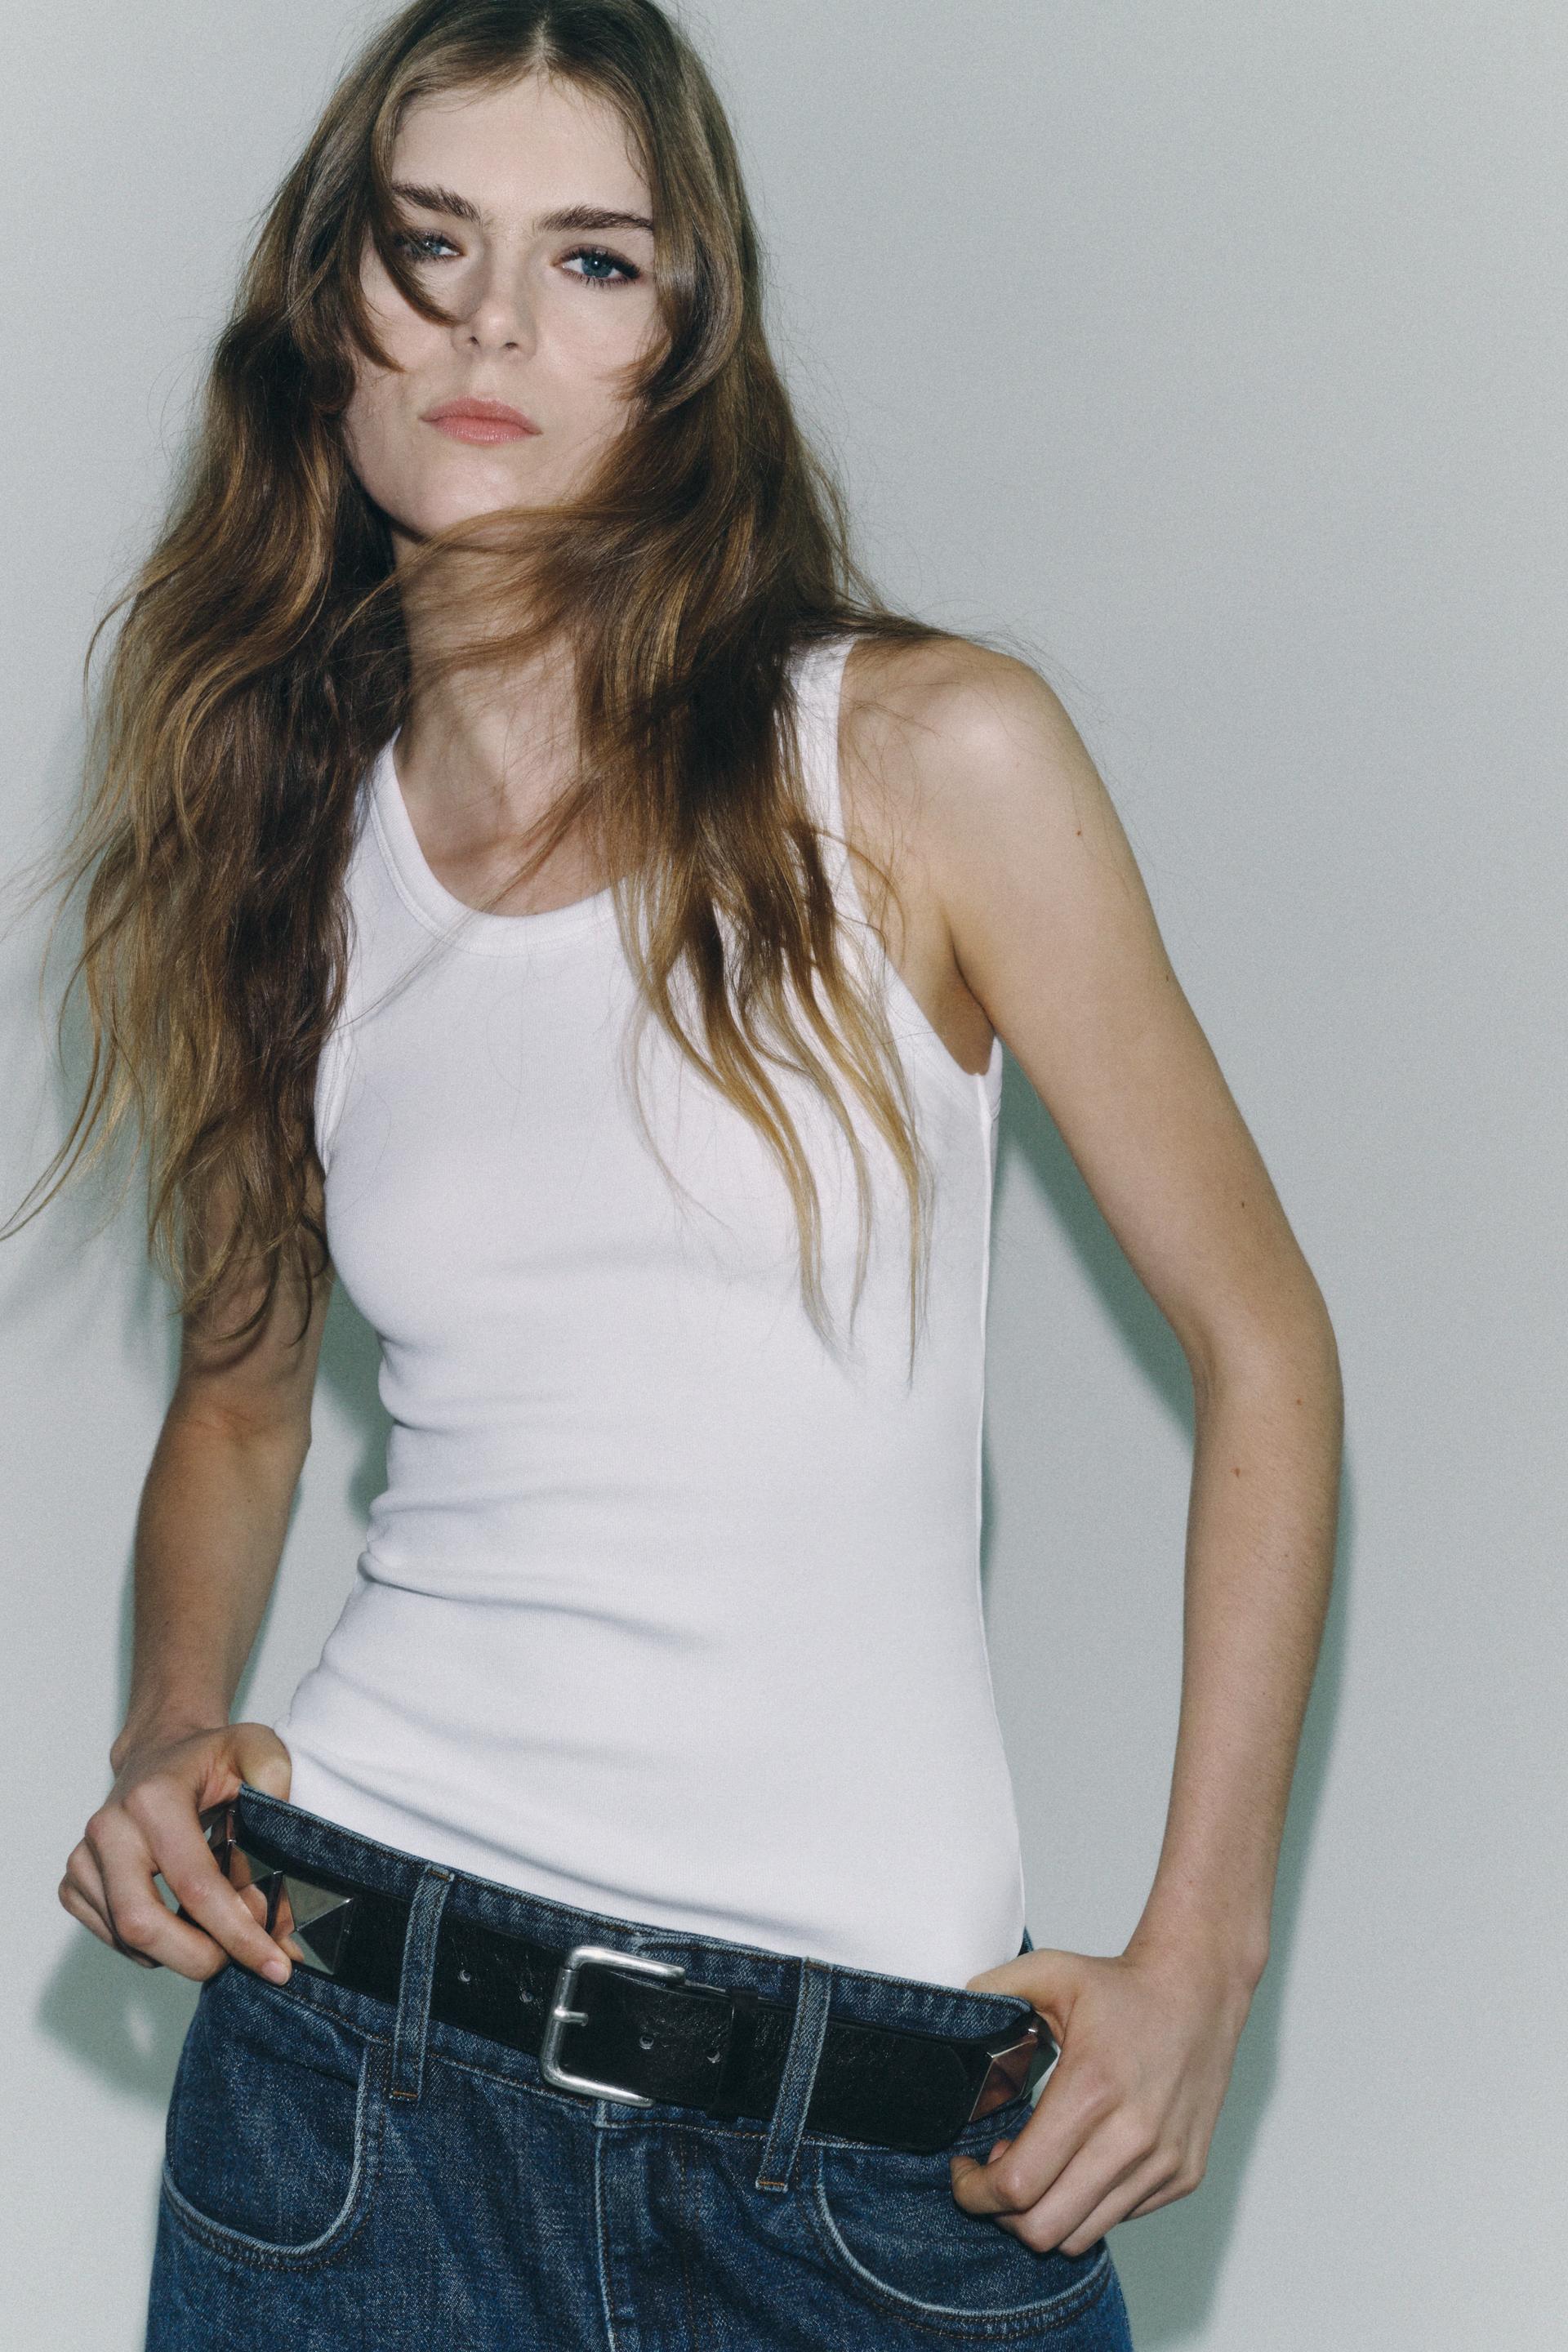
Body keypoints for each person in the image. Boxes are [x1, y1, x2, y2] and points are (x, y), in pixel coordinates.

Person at [20, 1, 1341, 2344]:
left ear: (685, 342)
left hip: (869, 2143)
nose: (496, 326)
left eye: (593, 261)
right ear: (334, 311)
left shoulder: (921, 758)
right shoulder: (284, 844)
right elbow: (235, 1404)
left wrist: (1201, 1962)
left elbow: (1268, 1350)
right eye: (431, 247)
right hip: (352, 2082)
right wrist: (160, 1735)